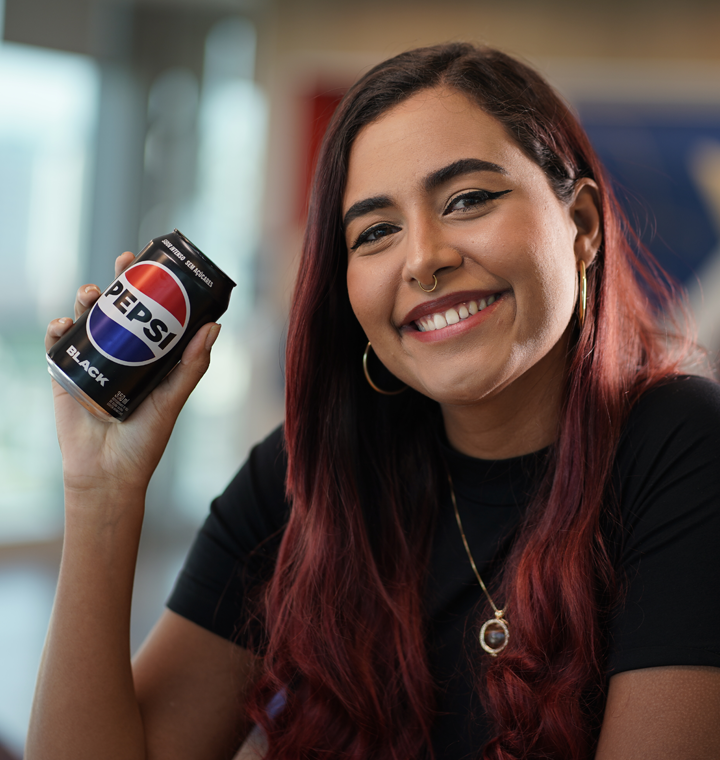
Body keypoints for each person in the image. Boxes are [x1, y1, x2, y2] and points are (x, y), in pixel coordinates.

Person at [28, 43, 720, 760]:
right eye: (377, 231)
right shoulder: (308, 475)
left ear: (582, 227)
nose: (423, 258)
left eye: (469, 199)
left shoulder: (678, 446)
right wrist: (101, 492)